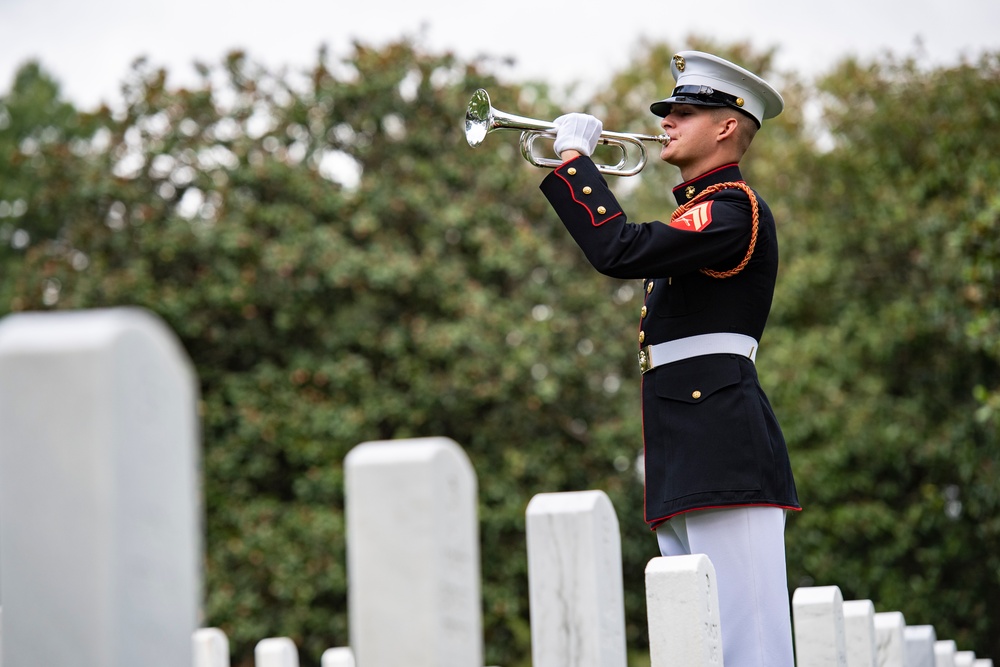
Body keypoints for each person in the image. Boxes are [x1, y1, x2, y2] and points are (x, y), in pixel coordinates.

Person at [539, 51, 801, 667]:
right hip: (685, 444)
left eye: (684, 113)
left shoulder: (732, 207)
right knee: (695, 644)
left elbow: (619, 249)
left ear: (727, 126)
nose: (667, 124)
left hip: (722, 443)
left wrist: (577, 163)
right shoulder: (698, 210)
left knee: (747, 643)